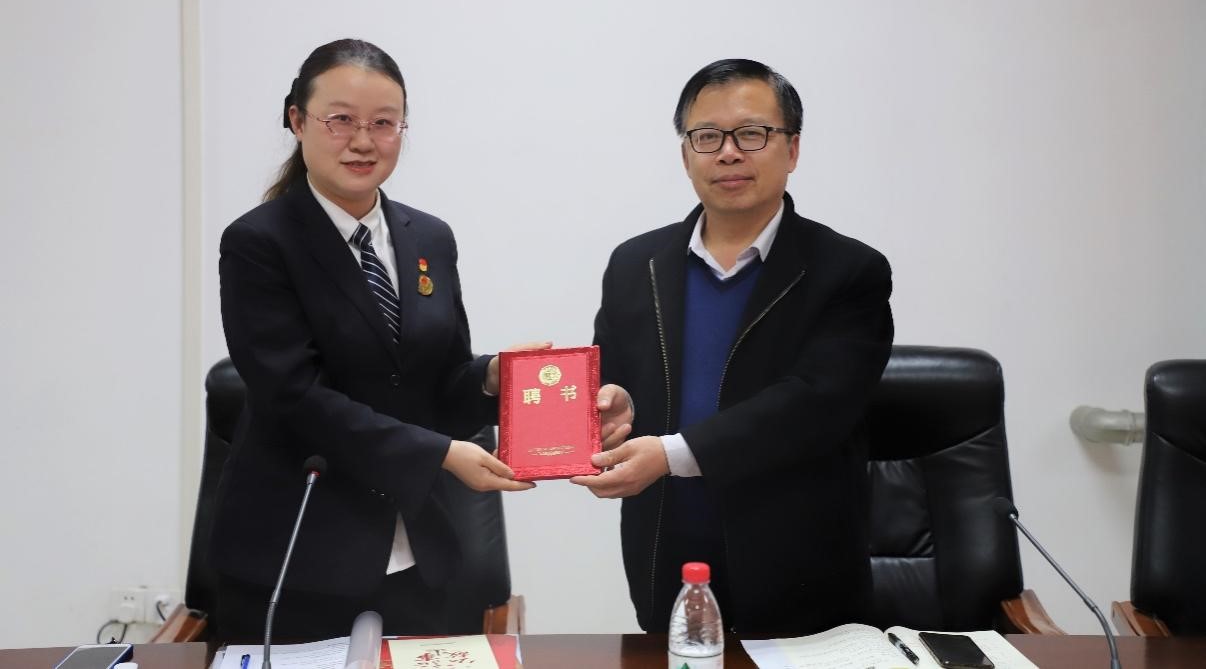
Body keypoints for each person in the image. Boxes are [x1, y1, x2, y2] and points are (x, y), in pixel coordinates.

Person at [210, 39, 621, 642]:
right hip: (297, 557)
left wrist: (493, 377)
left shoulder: (428, 237)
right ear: (297, 120)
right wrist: (438, 456)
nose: (363, 141)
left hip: (419, 555)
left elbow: (439, 384)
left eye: (384, 123)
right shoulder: (259, 243)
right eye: (341, 119)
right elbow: (295, 397)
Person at [572, 59, 894, 634]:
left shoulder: (849, 271)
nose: (727, 153)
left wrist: (669, 455)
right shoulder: (635, 264)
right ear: (685, 154)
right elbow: (613, 382)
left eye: (751, 134)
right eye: (707, 137)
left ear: (792, 149)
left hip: (800, 575)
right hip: (666, 562)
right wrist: (612, 407)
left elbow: (815, 405)